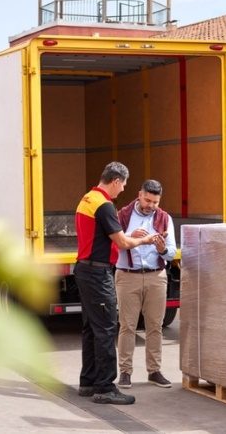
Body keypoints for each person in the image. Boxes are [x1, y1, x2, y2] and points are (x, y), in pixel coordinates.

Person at [75, 162, 160, 405]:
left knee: (91, 328)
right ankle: (105, 387)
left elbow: (105, 237)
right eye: (122, 184)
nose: (122, 189)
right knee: (106, 329)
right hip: (97, 274)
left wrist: (127, 237)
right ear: (115, 181)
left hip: (84, 269)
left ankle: (88, 382)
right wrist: (144, 241)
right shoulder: (105, 205)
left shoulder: (87, 198)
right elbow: (121, 244)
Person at [114, 179, 176, 389]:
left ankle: (154, 371)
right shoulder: (122, 215)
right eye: (147, 200)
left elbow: (171, 252)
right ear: (139, 194)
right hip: (127, 275)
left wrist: (161, 249)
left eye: (155, 202)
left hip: (156, 276)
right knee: (127, 326)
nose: (150, 205)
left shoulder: (165, 218)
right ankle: (125, 372)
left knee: (155, 327)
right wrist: (132, 236)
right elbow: (114, 243)